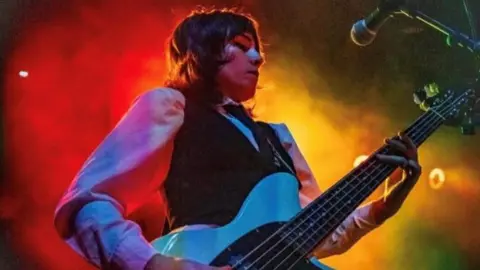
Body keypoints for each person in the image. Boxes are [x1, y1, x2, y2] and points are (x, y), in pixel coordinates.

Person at [53, 7, 422, 270]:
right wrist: (152, 263)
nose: (258, 57)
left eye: (257, 47)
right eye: (242, 45)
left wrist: (383, 206)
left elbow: (311, 235)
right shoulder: (171, 106)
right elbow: (91, 201)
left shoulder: (277, 138)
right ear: (204, 51)